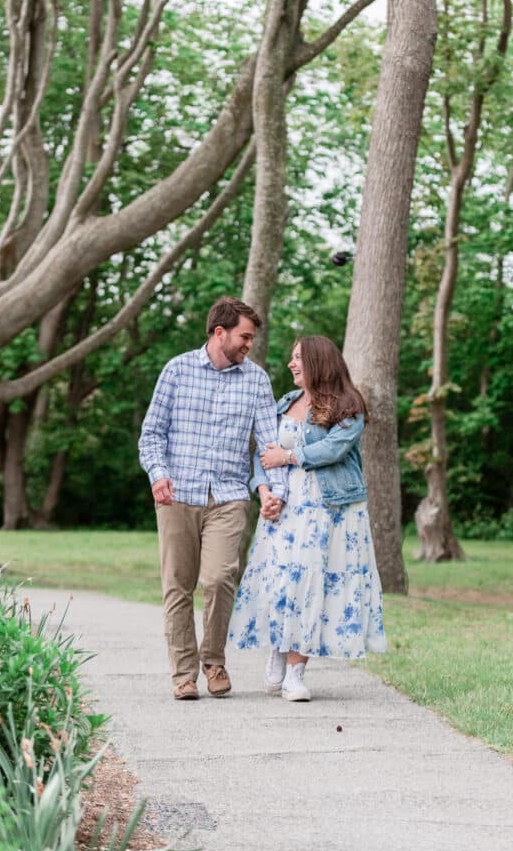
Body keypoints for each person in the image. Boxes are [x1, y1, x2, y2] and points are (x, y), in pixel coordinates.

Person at [139, 296, 288, 701]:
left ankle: (214, 660)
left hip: (228, 496)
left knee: (220, 577)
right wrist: (158, 474)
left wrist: (271, 491)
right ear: (219, 333)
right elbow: (151, 434)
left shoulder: (256, 379)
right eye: (244, 336)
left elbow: (268, 444)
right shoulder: (177, 371)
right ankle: (183, 676)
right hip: (178, 495)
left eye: (251, 338)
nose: (248, 345)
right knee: (177, 586)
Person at [228, 334, 386, 701]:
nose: (291, 364)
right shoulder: (286, 402)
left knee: (315, 585)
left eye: (298, 357)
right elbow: (263, 452)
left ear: (318, 361)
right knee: (282, 582)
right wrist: (265, 491)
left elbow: (332, 449)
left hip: (330, 510)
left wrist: (287, 457)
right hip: (286, 508)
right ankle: (279, 650)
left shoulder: (349, 405)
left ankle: (297, 672)